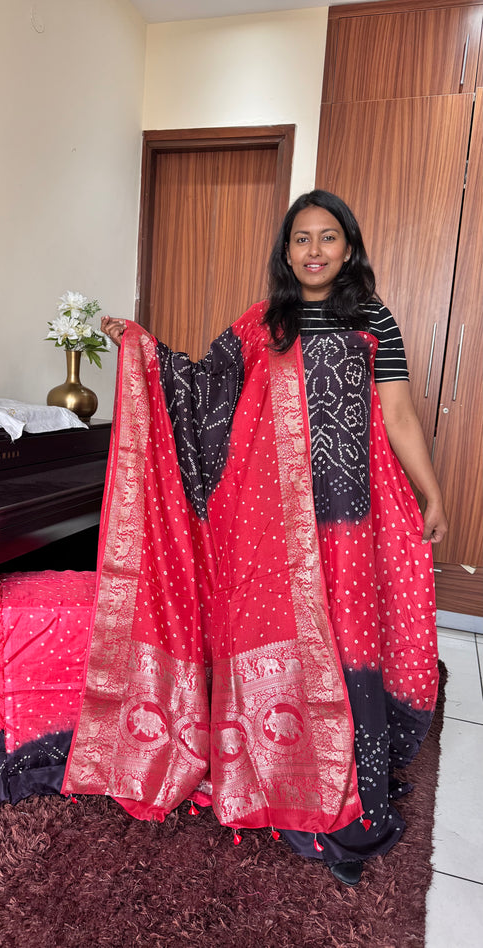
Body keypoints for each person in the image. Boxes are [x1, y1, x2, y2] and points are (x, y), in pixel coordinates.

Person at [63, 190, 447, 887]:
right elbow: (205, 391)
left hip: (354, 510)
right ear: (286, 251)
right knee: (288, 635)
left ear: (348, 248)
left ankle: (351, 783)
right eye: (300, 239)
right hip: (274, 522)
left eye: (327, 238)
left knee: (351, 637)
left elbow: (397, 412)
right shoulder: (260, 325)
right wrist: (145, 350)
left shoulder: (372, 319)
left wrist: (432, 491)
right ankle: (282, 773)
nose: (314, 251)